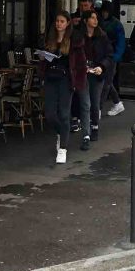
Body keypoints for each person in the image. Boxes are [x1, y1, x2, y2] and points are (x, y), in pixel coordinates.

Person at [38, 11, 84, 164]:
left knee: (64, 114)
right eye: (57, 21)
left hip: (66, 79)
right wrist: (43, 58)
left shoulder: (74, 40)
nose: (59, 24)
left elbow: (80, 63)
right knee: (50, 114)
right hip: (51, 78)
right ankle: (60, 132)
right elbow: (43, 61)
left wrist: (78, 82)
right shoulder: (49, 38)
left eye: (62, 21)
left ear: (68, 23)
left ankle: (63, 148)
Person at [79, 10, 114, 147]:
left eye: (96, 18)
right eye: (92, 18)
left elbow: (109, 55)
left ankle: (95, 126)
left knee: (94, 102)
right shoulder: (79, 36)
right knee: (85, 103)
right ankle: (86, 134)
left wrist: (102, 67)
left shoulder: (102, 36)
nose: (95, 20)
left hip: (97, 73)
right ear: (85, 20)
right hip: (83, 73)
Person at [99, 3, 127, 116]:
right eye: (103, 11)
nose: (104, 13)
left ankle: (99, 108)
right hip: (104, 55)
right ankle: (117, 102)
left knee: (106, 82)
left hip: (111, 56)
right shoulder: (104, 22)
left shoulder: (116, 25)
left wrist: (115, 57)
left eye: (106, 11)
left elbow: (121, 43)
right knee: (107, 81)